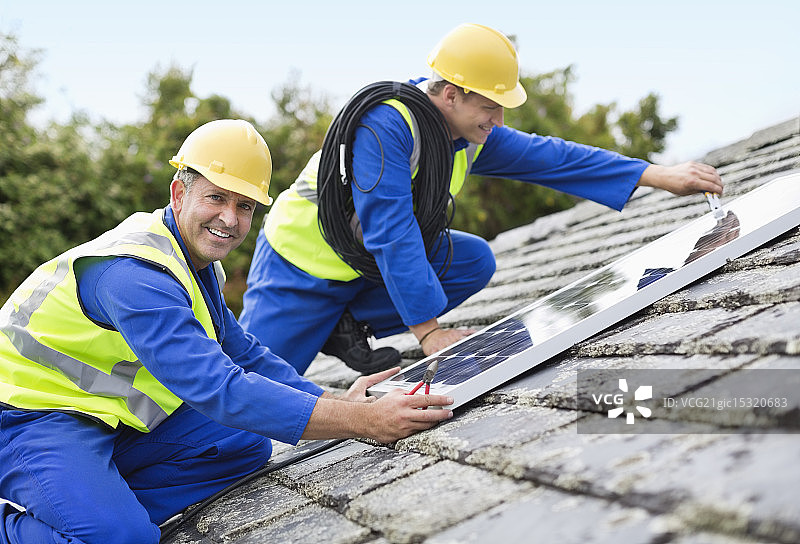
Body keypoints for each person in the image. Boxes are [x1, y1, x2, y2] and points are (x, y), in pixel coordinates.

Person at [0, 119, 453, 544]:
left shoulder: (194, 265)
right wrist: (365, 422)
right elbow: (219, 387)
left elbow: (245, 355)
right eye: (217, 198)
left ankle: (95, 505)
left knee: (244, 444)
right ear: (180, 194)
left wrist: (335, 402)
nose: (230, 219)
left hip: (102, 421)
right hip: (30, 419)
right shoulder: (134, 276)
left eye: (244, 206)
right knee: (126, 538)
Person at [238, 23, 724, 375]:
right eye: (490, 107)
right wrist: (429, 333)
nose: (498, 121)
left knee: (471, 260)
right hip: (298, 271)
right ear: (451, 94)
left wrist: (658, 174)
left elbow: (552, 157)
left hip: (360, 272)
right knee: (248, 390)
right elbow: (391, 228)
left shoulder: (468, 134)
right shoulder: (387, 124)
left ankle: (344, 322)